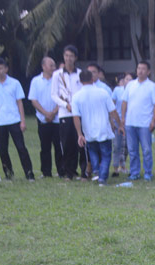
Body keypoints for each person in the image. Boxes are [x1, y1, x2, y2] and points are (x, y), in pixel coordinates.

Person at [72, 69, 122, 186]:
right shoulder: (102, 93)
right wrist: (120, 125)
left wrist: (79, 134)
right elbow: (113, 111)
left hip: (88, 130)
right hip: (103, 128)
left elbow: (76, 117)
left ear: (80, 81)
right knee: (106, 155)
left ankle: (97, 171)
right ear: (92, 79)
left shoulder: (76, 96)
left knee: (93, 152)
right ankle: (102, 177)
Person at [121, 60, 155, 181]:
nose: (140, 71)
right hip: (130, 122)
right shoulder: (130, 85)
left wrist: (153, 120)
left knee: (146, 150)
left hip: (145, 123)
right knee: (132, 150)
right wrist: (123, 118)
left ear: (148, 72)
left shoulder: (152, 86)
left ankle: (148, 172)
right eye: (138, 68)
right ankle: (135, 172)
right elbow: (124, 102)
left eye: (143, 69)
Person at [50, 45, 84, 179]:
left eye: (71, 56)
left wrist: (77, 106)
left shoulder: (80, 73)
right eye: (66, 56)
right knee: (67, 143)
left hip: (79, 113)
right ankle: (69, 172)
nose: (68, 59)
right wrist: (65, 105)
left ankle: (83, 171)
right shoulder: (57, 75)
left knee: (80, 142)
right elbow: (54, 94)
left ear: (75, 58)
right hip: (65, 113)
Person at [27, 56, 63, 178]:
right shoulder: (36, 81)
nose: (53, 68)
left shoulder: (58, 80)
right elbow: (33, 100)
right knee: (45, 147)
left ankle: (61, 171)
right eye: (51, 65)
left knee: (59, 146)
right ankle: (46, 172)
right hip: (42, 119)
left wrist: (53, 113)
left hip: (57, 118)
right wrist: (46, 113)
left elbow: (62, 98)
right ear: (43, 66)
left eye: (54, 65)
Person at [110, 72, 131, 176]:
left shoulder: (134, 90)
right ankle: (115, 167)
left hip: (130, 121)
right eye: (126, 79)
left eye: (130, 79)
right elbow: (112, 106)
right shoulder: (117, 90)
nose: (128, 81)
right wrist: (112, 121)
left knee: (127, 146)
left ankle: (123, 165)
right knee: (117, 145)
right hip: (118, 121)